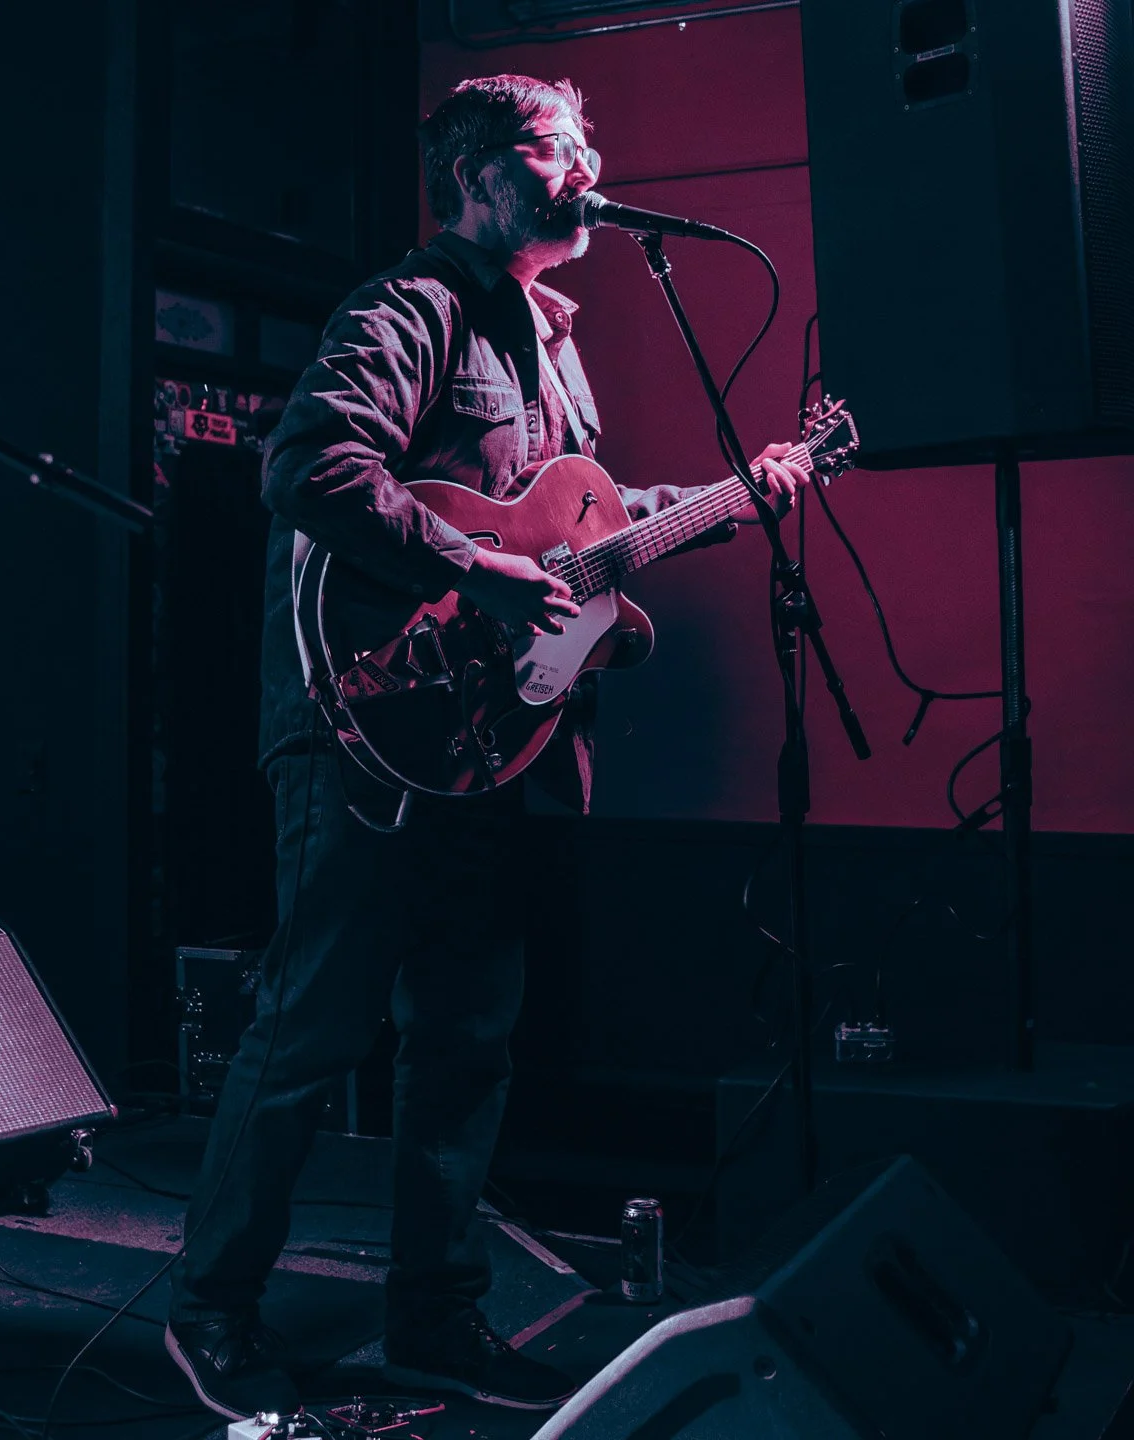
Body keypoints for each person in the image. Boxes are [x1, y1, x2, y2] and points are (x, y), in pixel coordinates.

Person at [164, 73, 810, 1421]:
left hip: (493, 743)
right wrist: (481, 570)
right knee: (314, 1028)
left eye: (585, 148)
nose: (579, 169)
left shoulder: (555, 339)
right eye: (546, 151)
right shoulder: (412, 310)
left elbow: (569, 525)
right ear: (470, 175)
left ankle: (435, 1320)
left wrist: (724, 500)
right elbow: (315, 469)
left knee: (467, 1035)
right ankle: (212, 1310)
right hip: (371, 719)